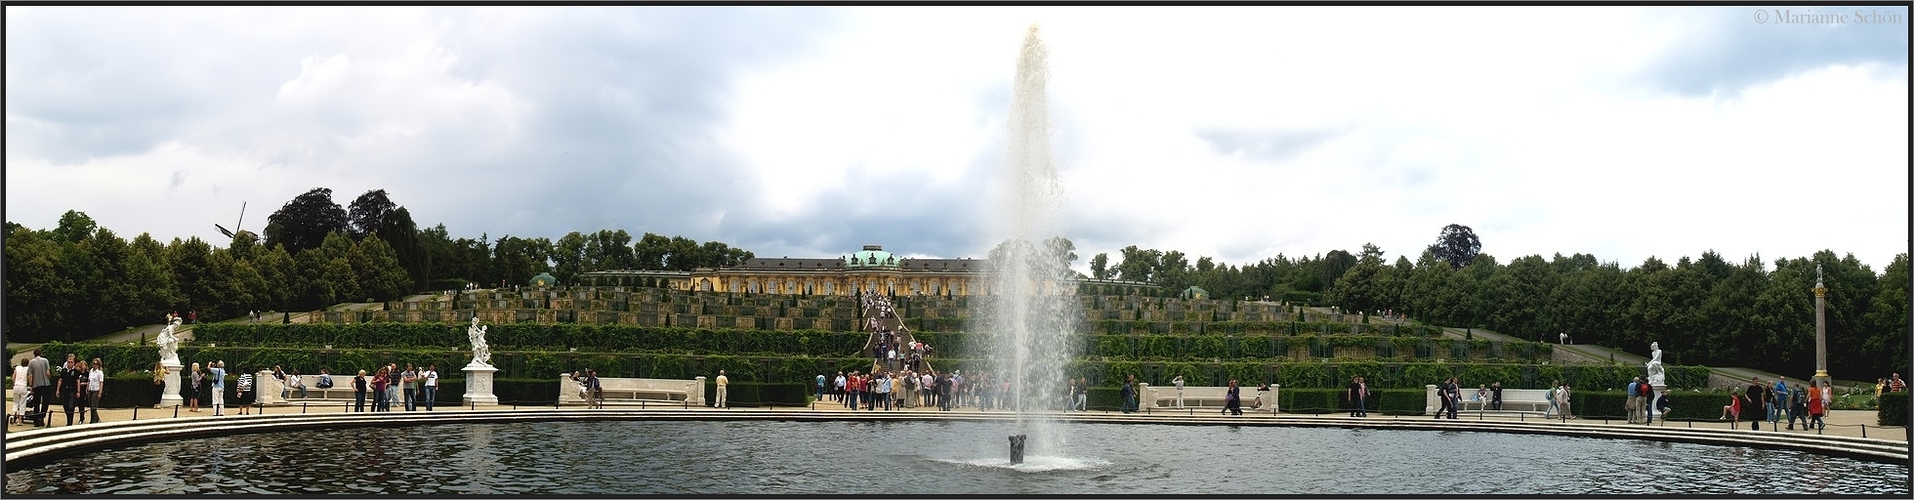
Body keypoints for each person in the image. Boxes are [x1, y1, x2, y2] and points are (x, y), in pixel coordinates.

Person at [27, 349, 52, 427]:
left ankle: (36, 420)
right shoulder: (45, 361)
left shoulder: (31, 362)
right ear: (40, 354)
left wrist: (31, 385)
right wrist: (48, 378)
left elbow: (30, 375)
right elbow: (48, 373)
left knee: (37, 403)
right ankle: (42, 416)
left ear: (34, 354)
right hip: (45, 384)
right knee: (45, 402)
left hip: (36, 385)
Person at [58, 354, 84, 426]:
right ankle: (68, 419)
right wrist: (57, 390)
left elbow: (77, 381)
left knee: (71, 406)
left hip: (72, 390)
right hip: (64, 390)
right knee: (65, 406)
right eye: (68, 362)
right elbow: (60, 380)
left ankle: (70, 422)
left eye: (71, 362)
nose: (70, 363)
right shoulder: (64, 371)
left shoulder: (75, 371)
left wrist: (78, 391)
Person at [86, 358, 104, 424]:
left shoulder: (100, 372)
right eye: (94, 364)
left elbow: (101, 382)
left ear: (99, 365)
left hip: (96, 390)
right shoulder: (91, 371)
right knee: (91, 405)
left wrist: (100, 392)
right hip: (91, 389)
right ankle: (97, 419)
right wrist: (87, 388)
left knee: (94, 406)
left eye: (96, 364)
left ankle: (92, 420)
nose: (95, 365)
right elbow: (89, 380)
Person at [11, 359, 29, 425]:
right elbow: (29, 376)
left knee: (15, 402)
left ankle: (13, 416)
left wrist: (15, 383)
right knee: (22, 403)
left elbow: (13, 377)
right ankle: (19, 420)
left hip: (16, 385)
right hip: (23, 386)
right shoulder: (28, 369)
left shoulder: (17, 368)